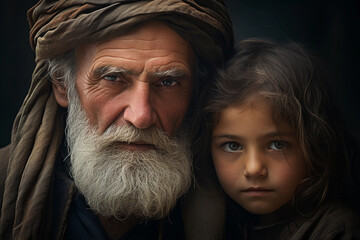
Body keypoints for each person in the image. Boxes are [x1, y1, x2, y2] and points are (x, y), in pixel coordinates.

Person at [0, 1, 234, 239]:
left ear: (194, 91)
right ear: (63, 84)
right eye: (112, 78)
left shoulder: (240, 199)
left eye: (167, 82)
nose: (141, 116)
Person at [193, 39, 360, 239]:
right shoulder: (221, 223)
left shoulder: (335, 230)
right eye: (232, 146)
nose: (254, 169)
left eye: (277, 145)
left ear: (316, 144)